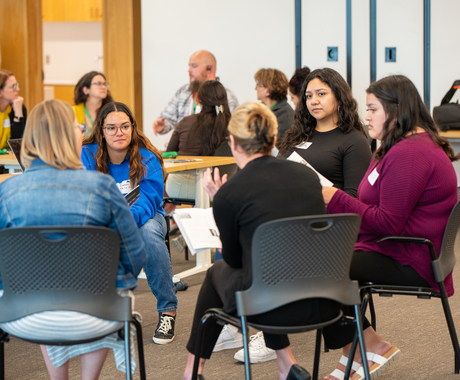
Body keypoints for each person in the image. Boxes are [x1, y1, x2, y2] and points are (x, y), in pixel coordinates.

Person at [183, 101, 341, 380]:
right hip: (320, 298)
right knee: (269, 269)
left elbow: (232, 260)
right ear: (272, 137)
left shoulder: (231, 192)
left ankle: (192, 371)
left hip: (266, 306)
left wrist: (220, 204)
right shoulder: (306, 176)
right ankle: (286, 365)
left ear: (233, 142)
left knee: (218, 272)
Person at [321, 75, 458, 380]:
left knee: (319, 268)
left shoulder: (410, 154)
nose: (365, 116)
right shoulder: (402, 145)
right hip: (404, 246)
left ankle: (367, 347)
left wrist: (336, 198)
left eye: (372, 109)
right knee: (324, 261)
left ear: (395, 111)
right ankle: (355, 352)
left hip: (409, 256)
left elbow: (387, 222)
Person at [0, 99, 147, 379]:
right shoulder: (102, 188)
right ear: (69, 136)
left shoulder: (6, 193)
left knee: (40, 279)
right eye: (78, 127)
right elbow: (135, 257)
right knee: (108, 288)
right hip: (97, 313)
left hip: (24, 316)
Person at [81, 102, 179, 345]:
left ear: (132, 127)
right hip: (104, 217)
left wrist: (121, 221)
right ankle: (101, 309)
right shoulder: (87, 154)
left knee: (147, 233)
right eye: (111, 128)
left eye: (124, 126)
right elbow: (85, 193)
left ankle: (168, 310)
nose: (119, 132)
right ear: (101, 131)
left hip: (144, 216)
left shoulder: (147, 156)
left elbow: (148, 200)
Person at [278, 68, 372, 198]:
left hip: (322, 215)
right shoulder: (296, 134)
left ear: (339, 97)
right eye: (309, 96)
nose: (313, 101)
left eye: (321, 94)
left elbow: (355, 198)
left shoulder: (354, 141)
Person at [165, 80, 231, 200]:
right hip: (221, 187)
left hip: (181, 186)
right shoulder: (234, 125)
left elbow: (169, 155)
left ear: (199, 101)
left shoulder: (186, 122)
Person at [153, 50, 239, 136]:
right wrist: (163, 125)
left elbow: (231, 130)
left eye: (194, 66)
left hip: (210, 147)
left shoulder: (227, 97)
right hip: (182, 147)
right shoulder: (183, 91)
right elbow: (168, 119)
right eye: (189, 66)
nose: (189, 70)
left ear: (209, 69)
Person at [254, 68, 294, 146]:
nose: (255, 88)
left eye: (258, 85)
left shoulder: (285, 114)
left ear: (268, 91)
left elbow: (279, 146)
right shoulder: (259, 109)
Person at [73, 71, 114, 137]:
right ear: (86, 90)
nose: (103, 87)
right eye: (98, 83)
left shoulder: (111, 111)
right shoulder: (73, 112)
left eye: (105, 84)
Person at [0, 69, 27, 149]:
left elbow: (18, 147)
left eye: (17, 85)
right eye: (13, 87)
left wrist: (18, 115)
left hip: (7, 160)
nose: (18, 89)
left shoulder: (19, 107)